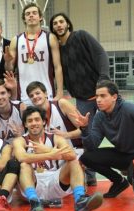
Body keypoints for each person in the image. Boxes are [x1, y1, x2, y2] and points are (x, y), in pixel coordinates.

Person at [0, 106, 102, 211]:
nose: (34, 123)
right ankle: (34, 203)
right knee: (24, 165)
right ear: (25, 124)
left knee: (74, 161)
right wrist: (50, 155)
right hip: (33, 182)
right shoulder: (20, 141)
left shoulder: (56, 138)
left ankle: (80, 200)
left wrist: (47, 150)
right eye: (30, 121)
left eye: (37, 119)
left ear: (44, 121)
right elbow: (21, 158)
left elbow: (72, 155)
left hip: (55, 181)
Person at [74, 80, 134, 204]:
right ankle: (119, 181)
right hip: (124, 154)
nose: (98, 100)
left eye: (103, 96)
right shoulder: (100, 117)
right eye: (97, 96)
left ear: (114, 97)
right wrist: (84, 129)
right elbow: (92, 146)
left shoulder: (128, 108)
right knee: (87, 157)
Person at [50, 13, 111, 185]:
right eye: (55, 23)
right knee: (87, 137)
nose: (59, 25)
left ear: (68, 24)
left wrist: (104, 79)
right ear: (53, 28)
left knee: (115, 130)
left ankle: (127, 165)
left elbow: (100, 54)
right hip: (83, 99)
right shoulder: (58, 50)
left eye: (61, 21)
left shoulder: (81, 36)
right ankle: (90, 175)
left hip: (101, 92)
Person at [4, 3, 63, 105]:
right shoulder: (16, 40)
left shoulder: (50, 38)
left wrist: (60, 92)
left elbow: (58, 67)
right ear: (24, 19)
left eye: (34, 13)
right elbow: (9, 70)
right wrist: (8, 61)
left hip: (46, 92)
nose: (31, 15)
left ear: (40, 17)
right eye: (28, 14)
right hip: (23, 94)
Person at [26, 81, 83, 156]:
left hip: (75, 151)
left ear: (45, 94)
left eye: (37, 93)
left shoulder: (61, 104)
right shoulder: (35, 117)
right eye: (31, 96)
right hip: (54, 156)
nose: (35, 97)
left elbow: (83, 130)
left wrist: (66, 135)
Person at [0, 79, 26, 144]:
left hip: (20, 148)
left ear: (9, 94)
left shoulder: (20, 107)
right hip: (0, 152)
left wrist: (21, 136)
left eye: (3, 93)